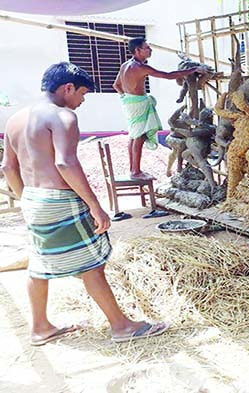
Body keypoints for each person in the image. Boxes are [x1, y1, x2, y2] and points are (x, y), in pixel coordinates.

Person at [1, 62, 168, 345]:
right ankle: (121, 326)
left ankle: (40, 327)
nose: (81, 102)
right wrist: (95, 205)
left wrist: (27, 201)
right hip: (61, 201)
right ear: (68, 88)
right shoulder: (62, 116)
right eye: (82, 94)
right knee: (91, 263)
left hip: (32, 197)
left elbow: (7, 167)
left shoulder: (15, 119)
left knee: (39, 264)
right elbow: (65, 163)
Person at [113, 37, 201, 180]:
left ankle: (133, 169)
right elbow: (167, 75)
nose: (150, 50)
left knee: (134, 135)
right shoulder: (140, 67)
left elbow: (116, 85)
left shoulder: (125, 65)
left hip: (129, 102)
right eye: (147, 48)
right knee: (140, 136)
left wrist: (126, 97)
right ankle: (136, 172)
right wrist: (193, 70)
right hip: (137, 103)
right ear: (138, 50)